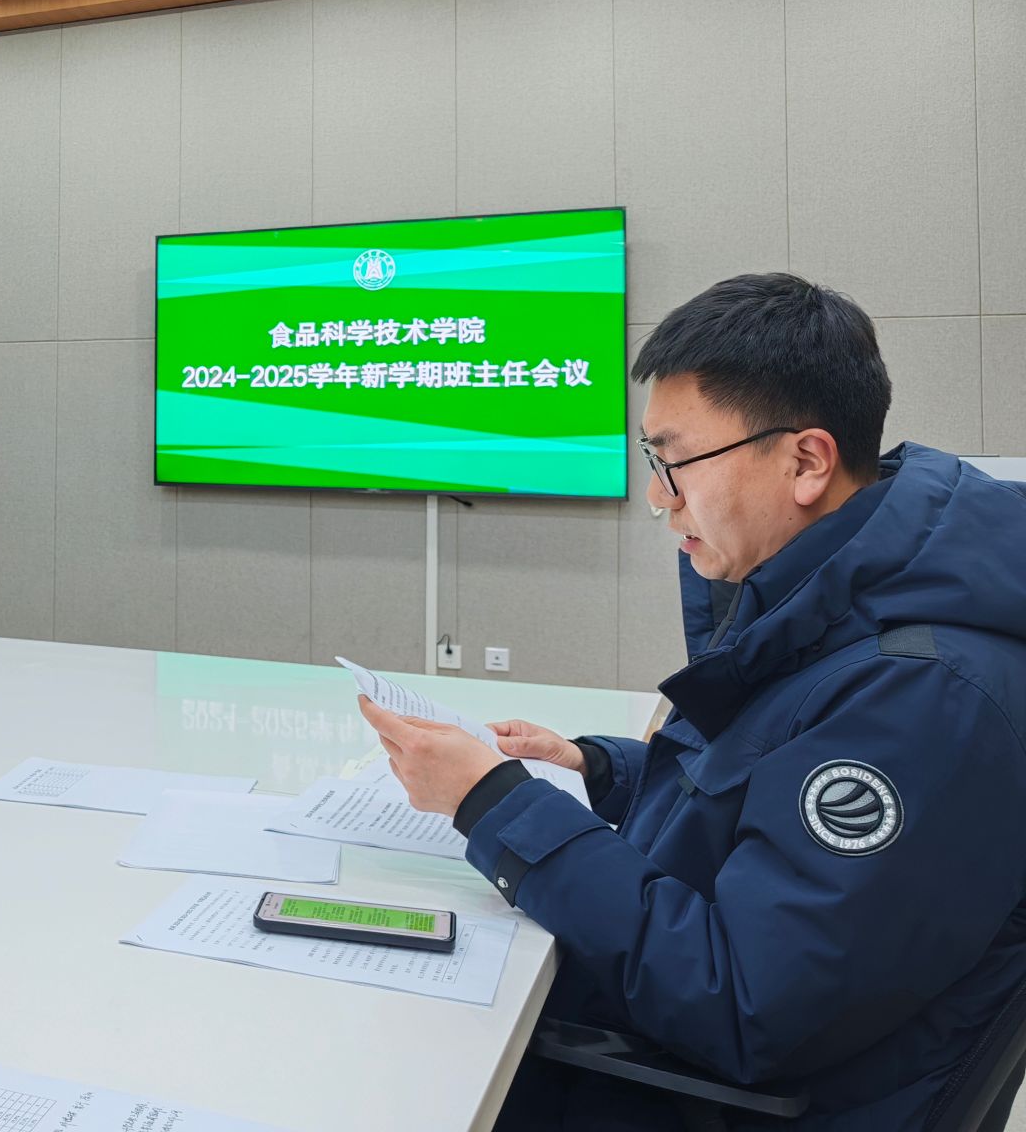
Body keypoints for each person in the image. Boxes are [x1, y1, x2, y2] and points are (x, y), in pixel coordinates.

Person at [363, 274, 1026, 1130]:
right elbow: (764, 793)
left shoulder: (926, 696)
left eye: (676, 461)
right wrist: (598, 770)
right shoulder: (834, 597)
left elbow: (742, 1002)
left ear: (806, 461)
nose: (659, 497)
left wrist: (496, 805)